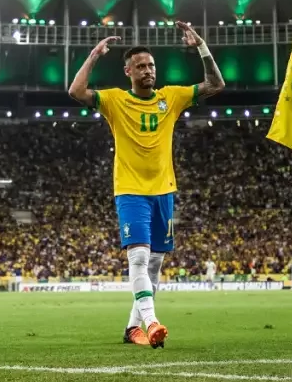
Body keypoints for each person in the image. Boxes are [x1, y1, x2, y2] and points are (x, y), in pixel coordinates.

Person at [68, 21, 224, 349]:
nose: (147, 70)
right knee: (138, 258)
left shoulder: (173, 97)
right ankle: (152, 322)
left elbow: (215, 83)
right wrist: (94, 55)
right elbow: (76, 92)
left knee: (155, 265)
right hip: (130, 190)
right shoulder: (114, 101)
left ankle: (131, 328)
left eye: (151, 65)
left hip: (164, 190)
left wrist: (201, 46)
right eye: (140, 66)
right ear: (128, 72)